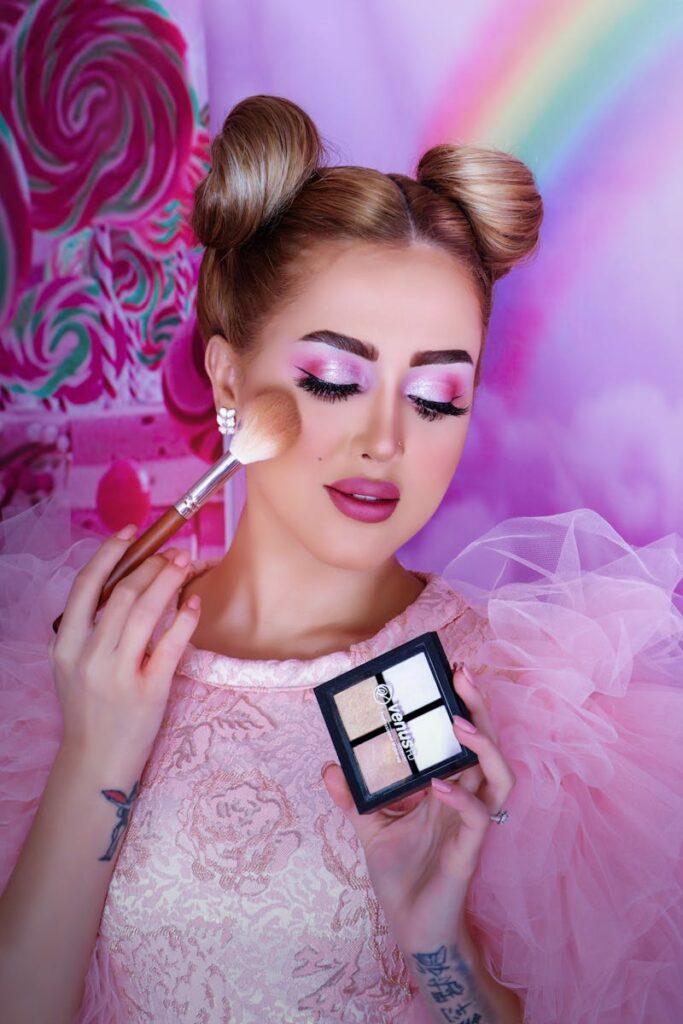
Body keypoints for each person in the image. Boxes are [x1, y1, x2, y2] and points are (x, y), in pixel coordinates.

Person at [0, 94, 681, 1024]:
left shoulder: (523, 703)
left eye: (436, 396)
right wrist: (95, 758)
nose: (385, 440)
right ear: (229, 376)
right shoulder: (95, 666)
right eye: (332, 380)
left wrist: (438, 948)